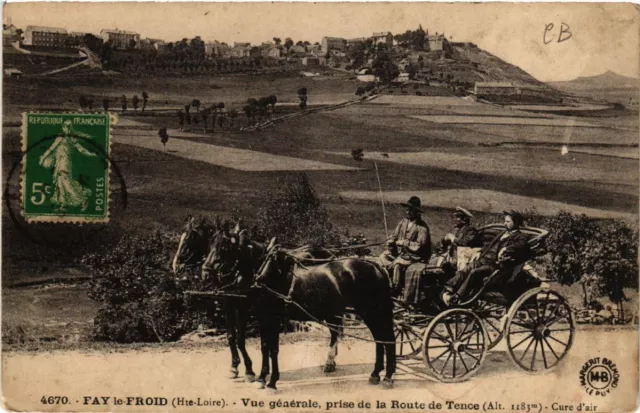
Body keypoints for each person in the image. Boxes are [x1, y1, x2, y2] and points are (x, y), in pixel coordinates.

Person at [441, 210, 530, 306]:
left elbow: (521, 245)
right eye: (505, 221)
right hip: (485, 259)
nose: (505, 223)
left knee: (474, 272)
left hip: (496, 265)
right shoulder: (503, 233)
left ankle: (458, 297)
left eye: (508, 222)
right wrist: (479, 252)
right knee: (466, 269)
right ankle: (448, 288)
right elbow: (489, 245)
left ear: (516, 222)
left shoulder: (520, 236)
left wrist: (506, 248)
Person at [379, 196, 432, 301]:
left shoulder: (422, 227)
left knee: (398, 264)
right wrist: (390, 240)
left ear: (417, 212)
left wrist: (404, 243)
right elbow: (394, 235)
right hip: (402, 254)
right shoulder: (403, 222)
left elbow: (419, 245)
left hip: (416, 257)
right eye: (407, 209)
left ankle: (396, 289)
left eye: (410, 210)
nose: (408, 212)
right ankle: (386, 282)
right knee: (382, 257)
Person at [39, 120, 98, 212]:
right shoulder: (60, 137)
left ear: (69, 128)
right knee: (59, 182)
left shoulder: (72, 138)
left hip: (66, 162)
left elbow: (81, 149)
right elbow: (51, 148)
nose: (63, 129)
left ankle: (82, 198)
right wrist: (43, 157)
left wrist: (90, 154)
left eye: (65, 127)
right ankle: (63, 204)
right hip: (59, 161)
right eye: (63, 127)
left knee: (66, 182)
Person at [440, 207, 478, 272]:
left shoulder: (471, 230)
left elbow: (465, 243)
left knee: (445, 267)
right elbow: (445, 243)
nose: (455, 219)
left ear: (464, 219)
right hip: (452, 257)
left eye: (458, 217)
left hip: (462, 260)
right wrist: (444, 239)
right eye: (455, 217)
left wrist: (453, 239)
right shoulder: (456, 229)